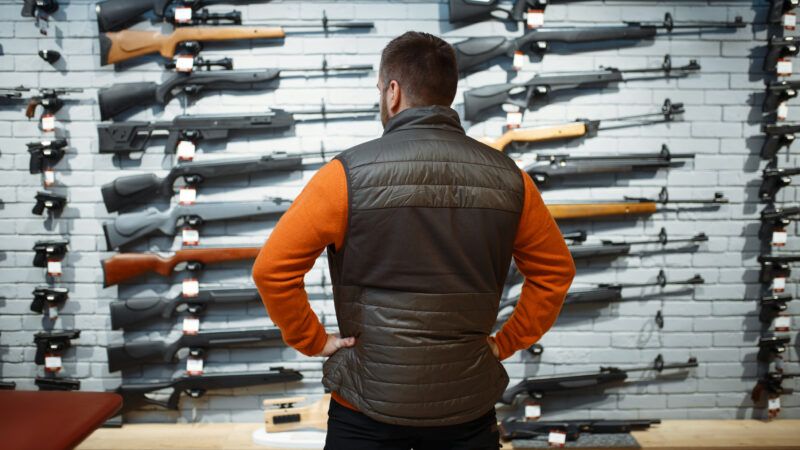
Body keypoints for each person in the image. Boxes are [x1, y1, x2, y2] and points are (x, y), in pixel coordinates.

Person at [252, 31, 575, 450]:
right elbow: (556, 273)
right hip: (466, 410)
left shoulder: (345, 176)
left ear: (393, 91)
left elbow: (271, 270)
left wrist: (314, 340)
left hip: (364, 407)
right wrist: (504, 343)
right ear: (449, 93)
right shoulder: (510, 179)